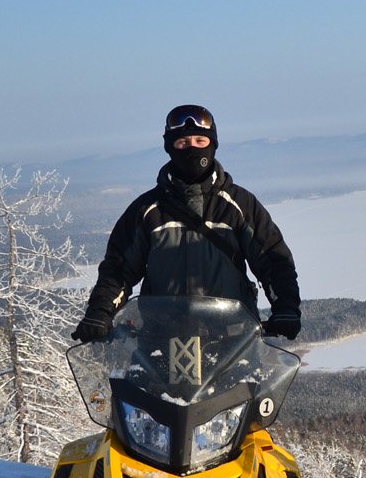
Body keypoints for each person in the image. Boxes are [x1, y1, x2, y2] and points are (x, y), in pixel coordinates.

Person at [72, 105, 301, 342]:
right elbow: (117, 269)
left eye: (200, 140)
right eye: (183, 143)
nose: (192, 149)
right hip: (161, 343)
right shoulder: (147, 210)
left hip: (233, 342)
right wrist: (100, 312)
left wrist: (286, 307)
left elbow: (274, 260)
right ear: (169, 147)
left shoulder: (239, 206)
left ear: (213, 144)